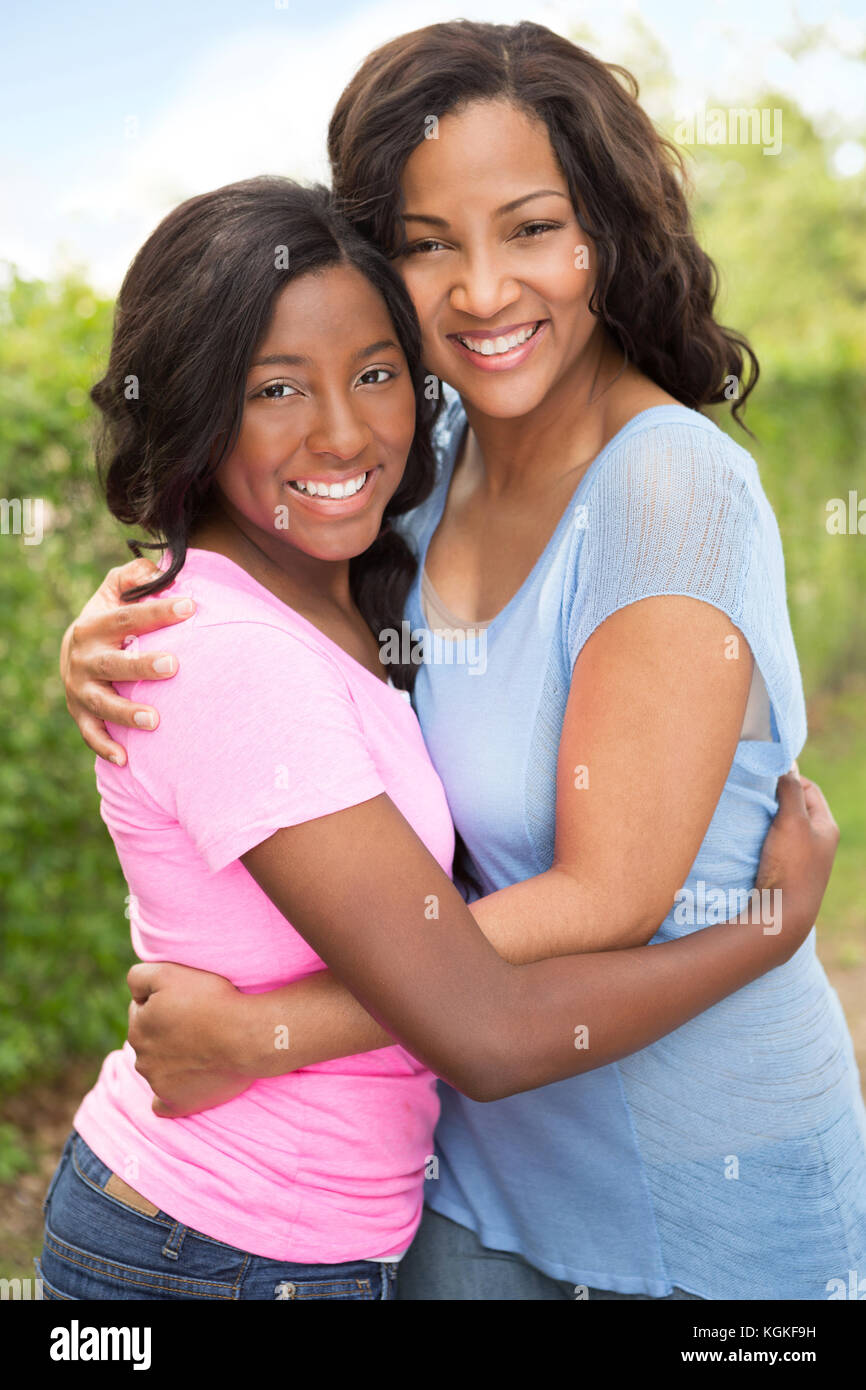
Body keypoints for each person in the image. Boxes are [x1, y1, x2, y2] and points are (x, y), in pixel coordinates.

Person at [59, 22, 863, 1302]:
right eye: (430, 245)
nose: (482, 291)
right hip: (466, 1183)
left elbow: (607, 896)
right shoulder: (420, 469)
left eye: (531, 228)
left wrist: (264, 1036)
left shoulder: (667, 490)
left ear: (605, 233)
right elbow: (257, 607)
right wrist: (115, 614)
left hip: (690, 1190)